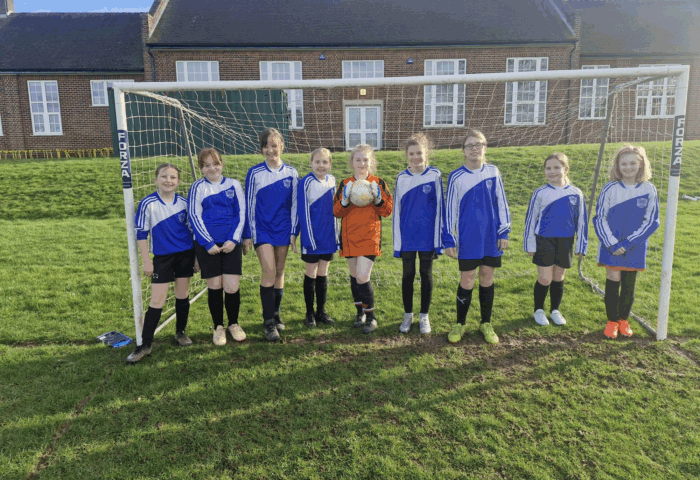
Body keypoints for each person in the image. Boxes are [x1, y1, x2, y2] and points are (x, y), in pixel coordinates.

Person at [444, 130, 510, 345]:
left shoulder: (493, 171)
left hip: (491, 235)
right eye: (470, 145)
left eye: (478, 144)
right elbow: (450, 210)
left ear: (485, 148)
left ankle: (486, 323)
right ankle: (460, 323)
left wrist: (504, 231)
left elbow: (502, 203)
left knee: (487, 276)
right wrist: (449, 238)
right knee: (467, 278)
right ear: (463, 151)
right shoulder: (456, 176)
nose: (474, 149)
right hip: (468, 236)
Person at [127, 163, 197, 364]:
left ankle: (180, 332)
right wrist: (146, 261)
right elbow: (141, 234)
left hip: (185, 254)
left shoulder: (184, 203)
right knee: (157, 300)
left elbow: (192, 232)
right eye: (164, 177)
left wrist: (195, 258)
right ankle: (145, 345)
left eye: (173, 177)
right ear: (156, 180)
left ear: (178, 181)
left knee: (182, 294)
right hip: (162, 258)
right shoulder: (148, 203)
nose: (168, 180)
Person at [594, 144, 659, 338]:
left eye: (632, 163)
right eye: (624, 164)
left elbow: (652, 221)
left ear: (641, 165)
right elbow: (599, 218)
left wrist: (629, 243)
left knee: (629, 285)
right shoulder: (610, 188)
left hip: (634, 247)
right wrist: (612, 243)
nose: (628, 167)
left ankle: (623, 320)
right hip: (611, 246)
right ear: (617, 166)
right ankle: (612, 321)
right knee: (613, 281)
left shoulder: (649, 189)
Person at [242, 128, 299, 341]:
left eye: (274, 145)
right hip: (262, 230)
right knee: (269, 271)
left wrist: (294, 232)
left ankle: (275, 314)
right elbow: (248, 204)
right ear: (262, 149)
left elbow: (295, 206)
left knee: (279, 272)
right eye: (266, 145)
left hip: (283, 229)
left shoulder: (292, 173)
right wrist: (247, 233)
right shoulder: (254, 173)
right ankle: (268, 323)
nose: (270, 150)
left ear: (282, 146)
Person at [188, 148, 247, 346]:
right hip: (208, 246)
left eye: (216, 164)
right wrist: (208, 243)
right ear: (201, 168)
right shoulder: (197, 187)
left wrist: (234, 240)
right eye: (207, 165)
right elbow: (194, 216)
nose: (212, 168)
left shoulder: (233, 184)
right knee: (214, 286)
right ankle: (218, 327)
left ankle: (233, 324)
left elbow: (241, 214)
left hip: (231, 243)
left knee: (231, 286)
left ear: (222, 164)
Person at [334, 144, 393, 334]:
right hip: (349, 236)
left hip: (370, 236)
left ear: (371, 161)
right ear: (352, 162)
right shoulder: (345, 184)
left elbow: (387, 211)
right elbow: (336, 212)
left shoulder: (378, 182)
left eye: (365, 160)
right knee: (354, 276)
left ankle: (371, 317)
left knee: (362, 276)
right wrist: (344, 201)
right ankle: (360, 313)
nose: (362, 163)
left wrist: (378, 199)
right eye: (358, 160)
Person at [524, 152, 588, 326]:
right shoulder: (540, 193)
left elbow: (582, 222)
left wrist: (581, 245)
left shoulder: (576, 193)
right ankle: (538, 310)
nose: (552, 171)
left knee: (559, 276)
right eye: (548, 168)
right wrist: (530, 244)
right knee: (545, 278)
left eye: (556, 167)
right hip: (544, 240)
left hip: (565, 241)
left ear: (565, 169)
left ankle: (555, 310)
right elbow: (530, 220)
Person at [393, 133, 445, 334]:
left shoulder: (435, 175)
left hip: (427, 236)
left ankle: (424, 315)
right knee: (408, 275)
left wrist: (438, 239)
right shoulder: (402, 177)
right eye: (412, 154)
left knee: (426, 274)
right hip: (407, 236)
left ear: (426, 153)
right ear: (407, 155)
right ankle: (408, 314)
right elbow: (397, 211)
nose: (416, 157)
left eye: (419, 153)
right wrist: (397, 242)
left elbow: (440, 208)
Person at [298, 148, 338, 327]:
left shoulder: (332, 180)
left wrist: (336, 236)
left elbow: (336, 211)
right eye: (317, 162)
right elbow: (303, 212)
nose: (321, 165)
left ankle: (321, 311)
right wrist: (308, 239)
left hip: (328, 237)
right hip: (312, 237)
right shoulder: (306, 182)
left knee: (323, 274)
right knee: (311, 274)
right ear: (311, 163)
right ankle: (309, 313)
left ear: (330, 164)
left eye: (325, 162)